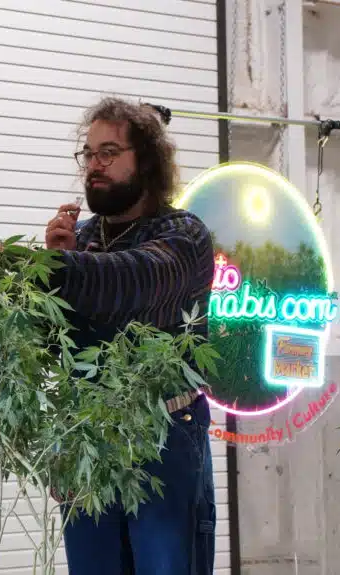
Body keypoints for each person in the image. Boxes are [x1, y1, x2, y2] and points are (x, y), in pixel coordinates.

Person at [42, 96, 217, 575]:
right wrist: (51, 280)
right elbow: (53, 344)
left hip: (164, 435)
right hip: (90, 437)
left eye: (108, 153)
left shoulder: (184, 236)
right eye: (89, 154)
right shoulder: (80, 238)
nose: (93, 167)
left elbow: (130, 280)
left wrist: (53, 269)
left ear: (146, 163)